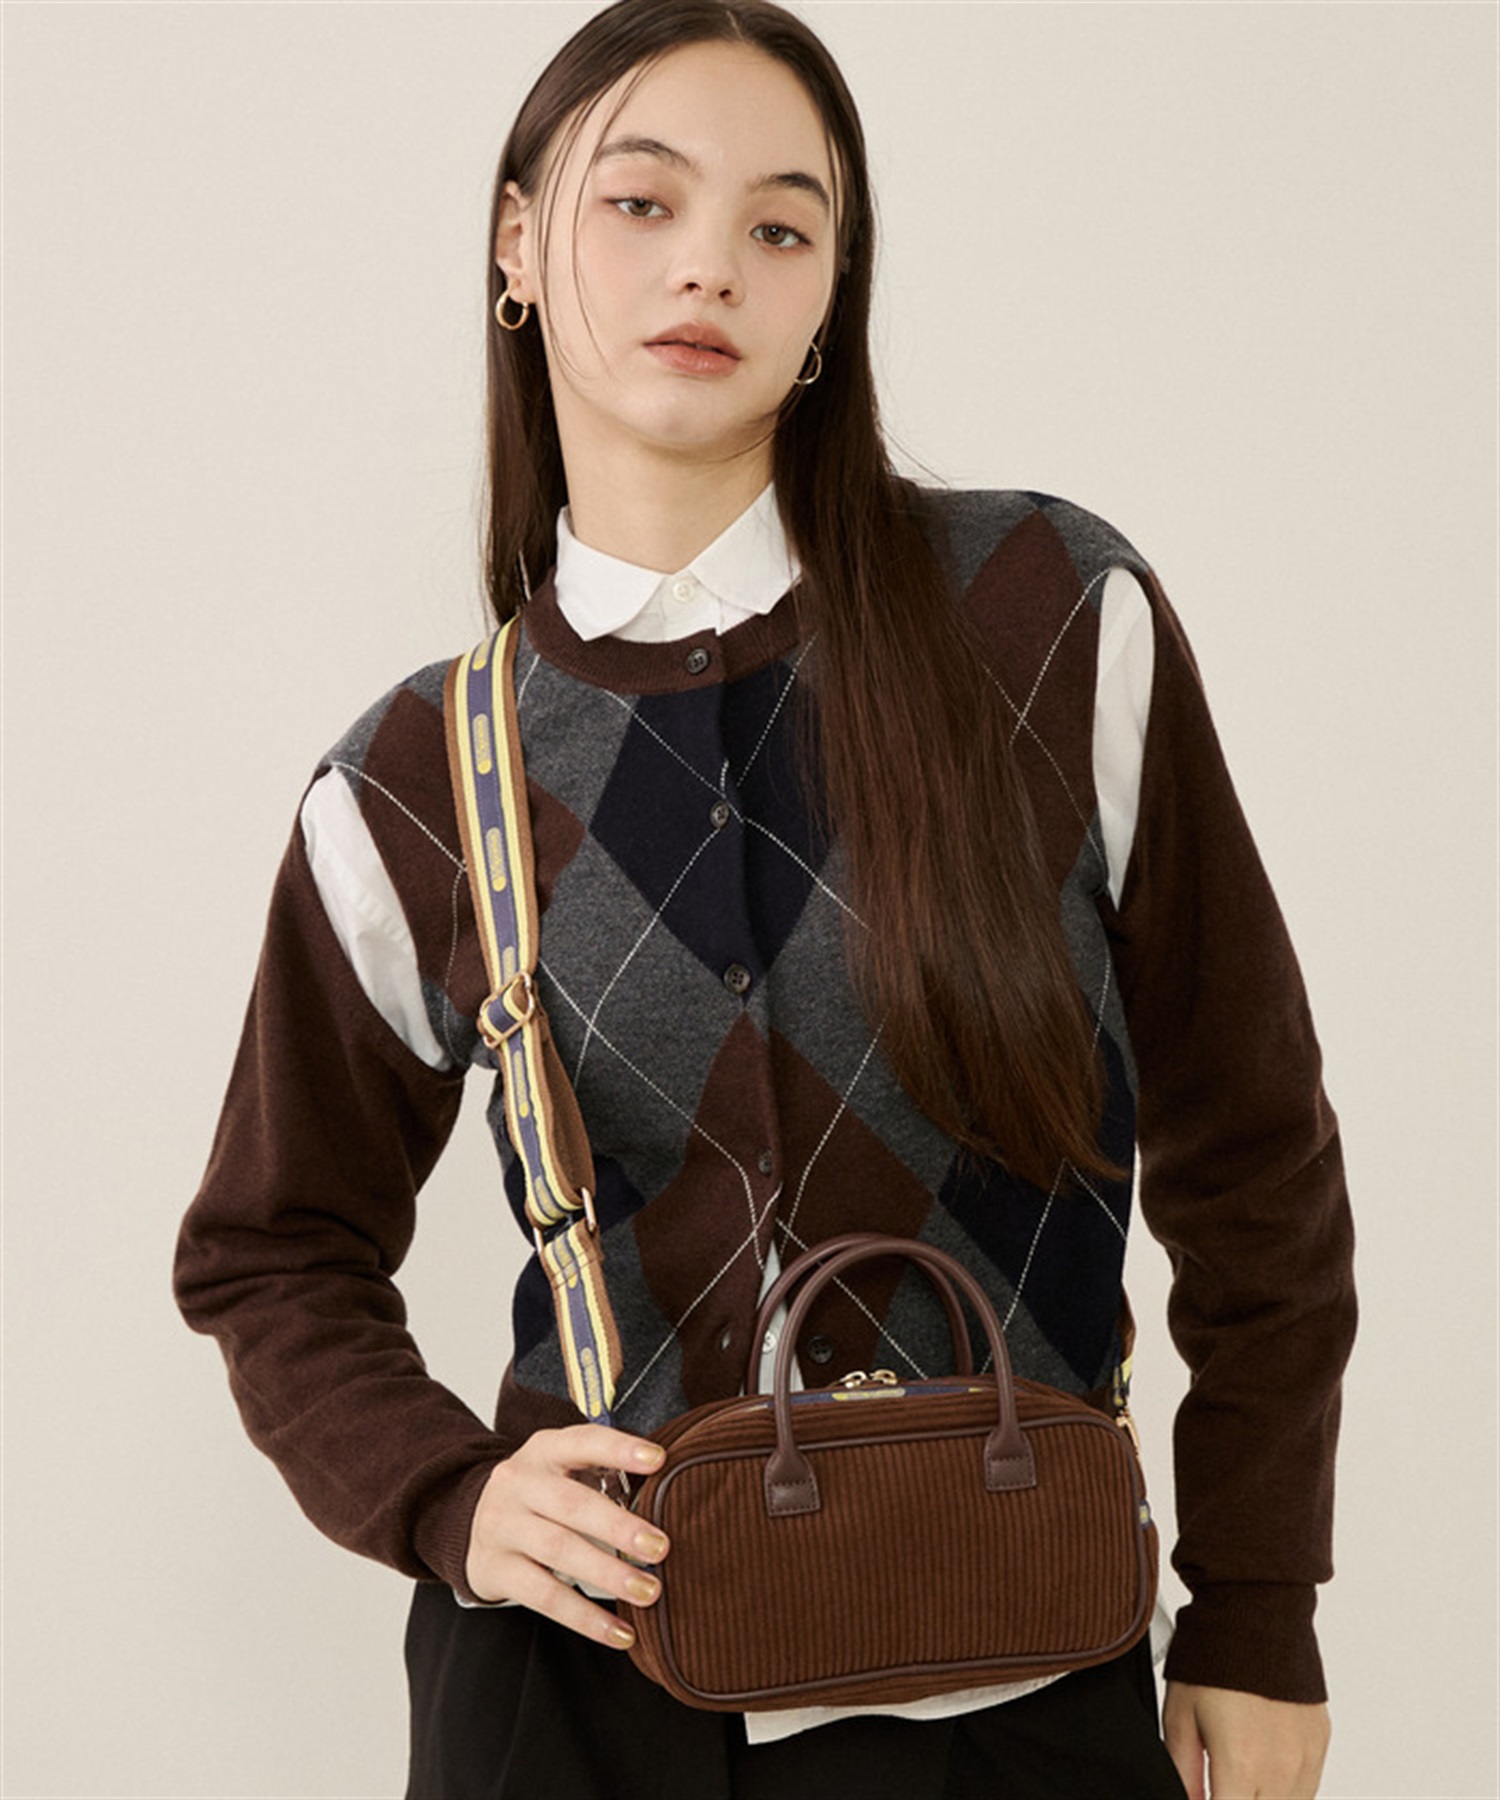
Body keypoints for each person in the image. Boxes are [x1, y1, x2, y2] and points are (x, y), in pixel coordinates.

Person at [174, 2, 1356, 1795]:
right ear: (518, 245)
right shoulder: (416, 779)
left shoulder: (1049, 619)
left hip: (1018, 1686)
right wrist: (445, 1499)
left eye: (781, 226)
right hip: (582, 1705)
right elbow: (270, 1248)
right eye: (642, 203)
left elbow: (1255, 1151)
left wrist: (1259, 1609)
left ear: (832, 292)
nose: (708, 266)